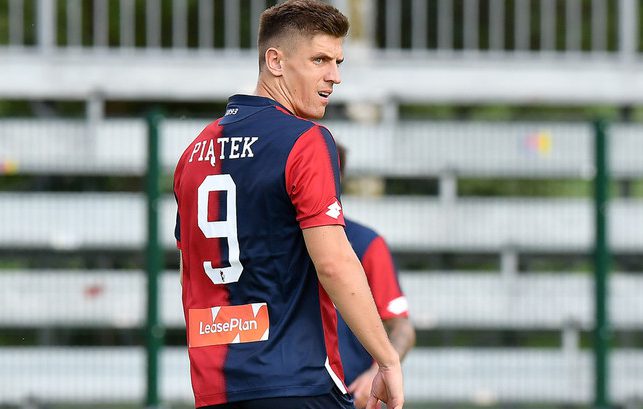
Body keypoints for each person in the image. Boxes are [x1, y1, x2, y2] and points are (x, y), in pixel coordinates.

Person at [172, 1, 404, 409]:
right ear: (275, 61)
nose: (335, 76)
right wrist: (386, 359)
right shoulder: (305, 140)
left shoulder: (194, 152)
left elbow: (188, 272)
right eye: (319, 60)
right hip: (296, 380)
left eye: (337, 62)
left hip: (216, 387)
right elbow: (333, 263)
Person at [336, 144, 416, 409]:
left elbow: (401, 327)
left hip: (348, 396)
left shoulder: (367, 243)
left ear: (338, 178)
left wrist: (376, 371)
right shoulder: (269, 243)